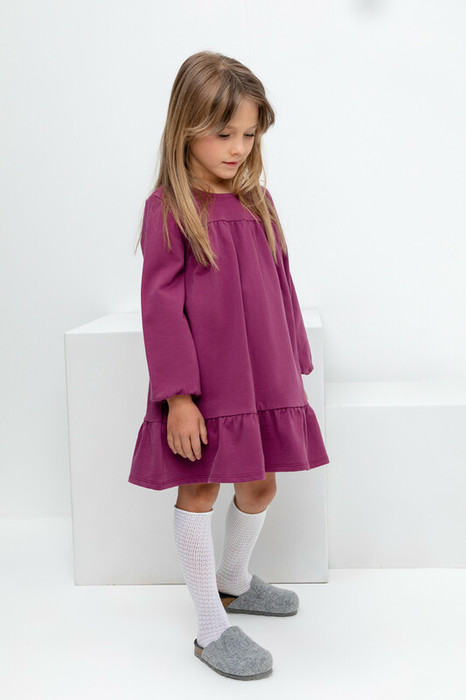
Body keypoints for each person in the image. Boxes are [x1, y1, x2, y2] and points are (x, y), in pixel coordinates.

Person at [129, 50, 330, 680]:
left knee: (262, 486)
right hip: (208, 384)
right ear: (187, 127)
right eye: (224, 134)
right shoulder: (171, 208)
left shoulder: (258, 201)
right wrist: (178, 397)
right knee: (201, 488)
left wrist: (294, 357)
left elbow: (281, 283)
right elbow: (161, 309)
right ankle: (210, 626)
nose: (238, 148)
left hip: (263, 373)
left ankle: (234, 581)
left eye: (248, 134)